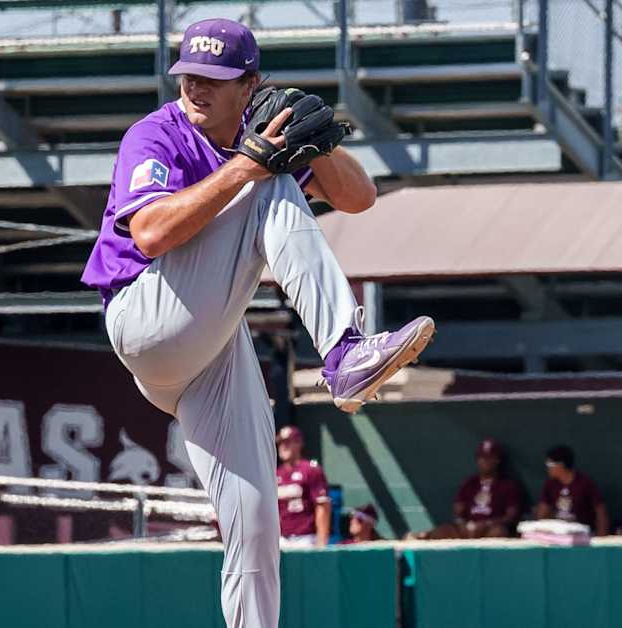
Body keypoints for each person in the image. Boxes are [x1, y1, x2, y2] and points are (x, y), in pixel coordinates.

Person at [80, 17, 435, 627]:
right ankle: (343, 350)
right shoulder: (156, 134)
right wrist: (247, 166)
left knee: (255, 522)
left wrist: (320, 145)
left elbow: (359, 198)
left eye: (213, 78)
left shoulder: (261, 129)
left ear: (250, 85)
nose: (196, 88)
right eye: (189, 75)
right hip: (145, 314)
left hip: (208, 349)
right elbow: (151, 232)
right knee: (266, 180)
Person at [411, 439, 521, 539]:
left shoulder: (507, 485)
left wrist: (487, 524)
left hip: (490, 528)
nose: (484, 461)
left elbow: (510, 516)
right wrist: (463, 525)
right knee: (442, 531)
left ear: (497, 460)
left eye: (488, 458)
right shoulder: (470, 483)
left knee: (499, 532)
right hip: (468, 528)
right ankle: (419, 538)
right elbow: (458, 511)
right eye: (481, 458)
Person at [275, 426, 331, 547]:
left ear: (299, 443)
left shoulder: (310, 470)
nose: (283, 447)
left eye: (287, 442)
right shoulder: (276, 474)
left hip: (305, 538)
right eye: (280, 443)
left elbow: (322, 506)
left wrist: (321, 542)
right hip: (281, 538)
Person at [536, 445, 608, 536]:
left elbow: (600, 511)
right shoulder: (550, 484)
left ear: (561, 465)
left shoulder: (585, 483)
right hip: (558, 534)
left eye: (549, 465)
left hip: (582, 535)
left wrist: (601, 536)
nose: (548, 469)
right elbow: (542, 512)